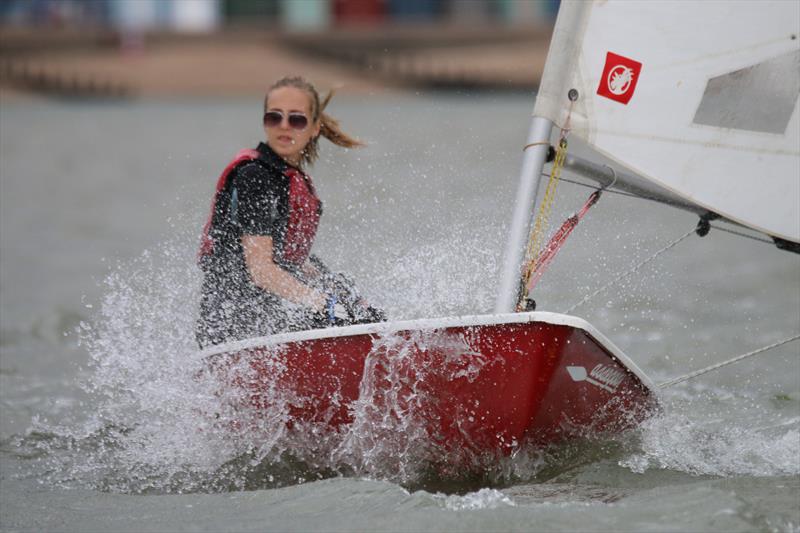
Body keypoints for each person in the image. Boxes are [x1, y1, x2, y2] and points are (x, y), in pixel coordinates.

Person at [196, 76, 384, 348]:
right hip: (229, 335)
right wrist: (325, 304)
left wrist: (344, 296)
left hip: (264, 323)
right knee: (333, 315)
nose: (284, 126)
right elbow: (261, 270)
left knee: (358, 311)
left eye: (296, 120)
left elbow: (292, 261)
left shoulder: (285, 179)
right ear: (264, 122)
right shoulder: (255, 177)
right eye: (275, 117)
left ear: (314, 128)